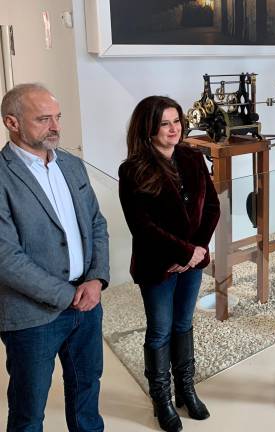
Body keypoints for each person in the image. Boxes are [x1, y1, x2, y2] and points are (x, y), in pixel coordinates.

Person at [0, 83, 110, 431]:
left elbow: (96, 223)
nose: (55, 127)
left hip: (87, 305)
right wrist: (68, 295)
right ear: (12, 122)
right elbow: (5, 257)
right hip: (32, 316)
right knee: (29, 411)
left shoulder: (72, 165)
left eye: (58, 117)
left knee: (87, 393)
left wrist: (96, 279)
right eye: (43, 119)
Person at [118, 96, 220, 432]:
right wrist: (182, 253)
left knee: (183, 324)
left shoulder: (193, 157)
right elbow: (142, 226)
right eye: (165, 123)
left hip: (192, 262)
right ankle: (161, 398)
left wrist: (196, 251)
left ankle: (186, 389)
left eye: (176, 121)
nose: (174, 129)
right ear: (149, 129)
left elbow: (212, 207)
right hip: (157, 266)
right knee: (160, 329)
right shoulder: (132, 170)